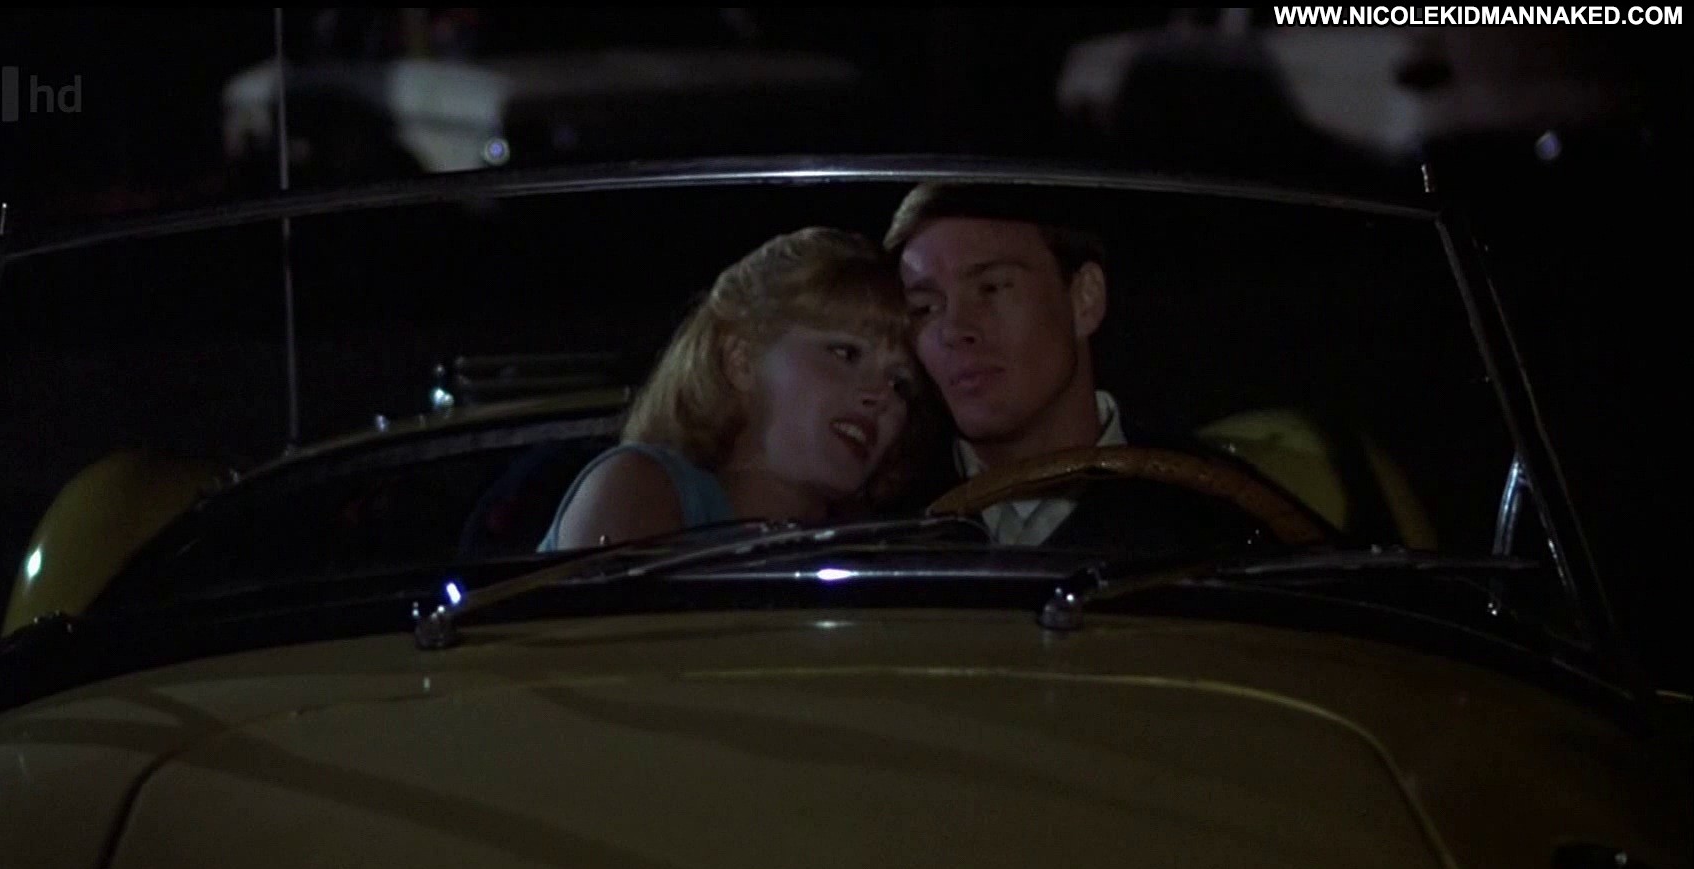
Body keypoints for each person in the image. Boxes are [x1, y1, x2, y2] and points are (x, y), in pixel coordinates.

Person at [883, 182, 1271, 552]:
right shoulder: (883, 525)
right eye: (924, 308)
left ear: (1084, 299)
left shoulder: (1218, 513)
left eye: (992, 288)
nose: (953, 330)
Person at [538, 227, 928, 551]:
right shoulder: (639, 487)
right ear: (741, 360)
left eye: (900, 384)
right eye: (845, 353)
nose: (881, 396)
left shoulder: (880, 553)